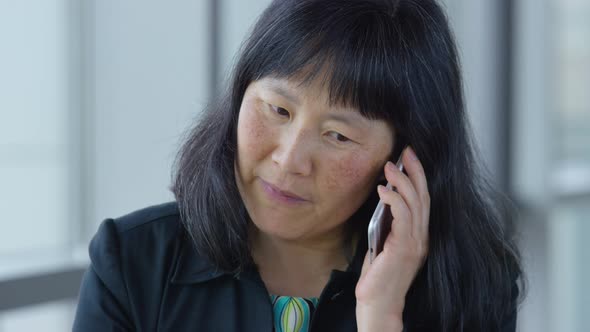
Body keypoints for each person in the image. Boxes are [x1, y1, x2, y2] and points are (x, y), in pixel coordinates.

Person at [73, 0, 524, 331]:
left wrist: (382, 318)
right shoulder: (132, 264)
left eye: (338, 136)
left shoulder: (470, 290)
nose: (289, 160)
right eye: (278, 110)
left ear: (406, 161)